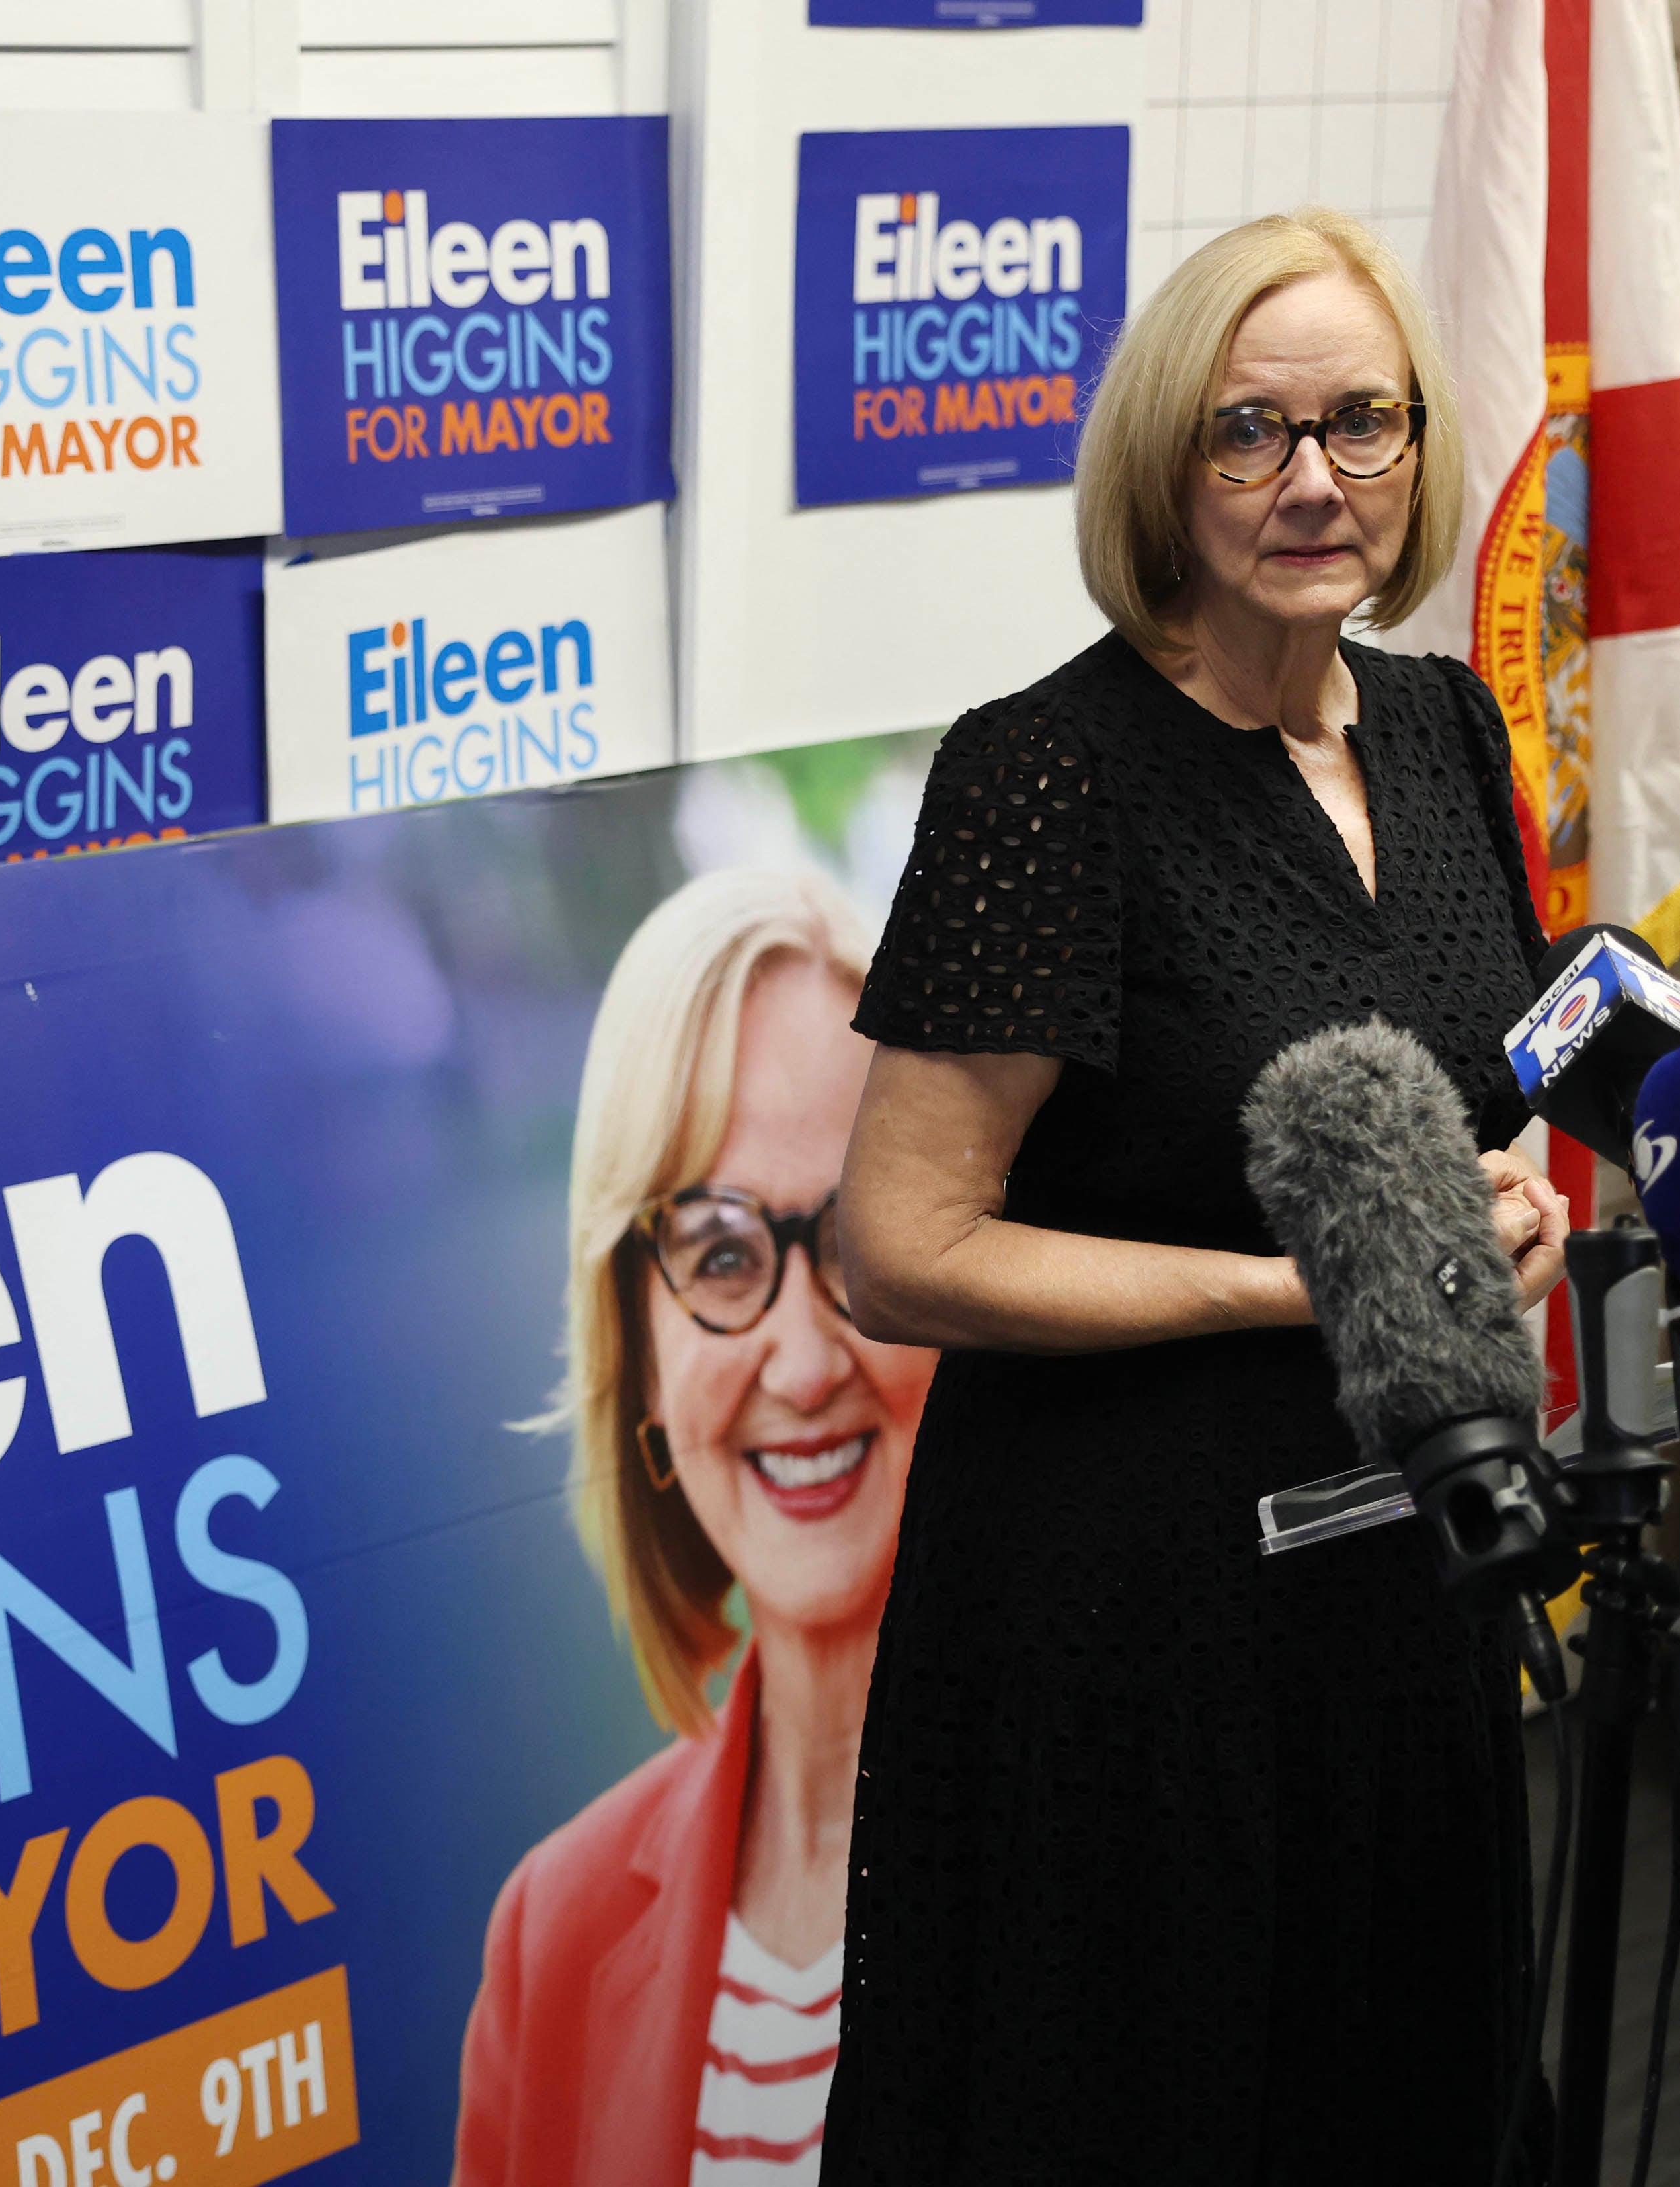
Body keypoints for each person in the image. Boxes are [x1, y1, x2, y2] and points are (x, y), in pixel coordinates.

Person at [822, 206, 1574, 2183]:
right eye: (1250, 431)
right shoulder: (1046, 779)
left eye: (1361, 425)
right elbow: (897, 1248)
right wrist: (1296, 1289)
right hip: (1127, 1622)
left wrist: (1496, 1200)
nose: (1313, 479)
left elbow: (1452, 1072)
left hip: (1395, 1577)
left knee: (1400, 2086)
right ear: (1166, 467)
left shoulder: (1439, 724)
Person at [456, 868, 938, 2187]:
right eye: (721, 1255)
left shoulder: (1154, 1830)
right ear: (643, 1360)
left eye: (856, 1238)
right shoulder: (548, 1936)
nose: (798, 1361)